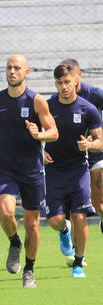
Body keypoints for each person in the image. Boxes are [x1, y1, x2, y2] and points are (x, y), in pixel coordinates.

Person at [0, 54, 58, 288]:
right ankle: (14, 242)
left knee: (32, 224)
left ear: (27, 72)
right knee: (6, 213)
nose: (12, 71)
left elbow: (54, 131)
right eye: (9, 68)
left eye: (17, 68)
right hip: (6, 167)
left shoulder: (36, 100)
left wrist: (39, 134)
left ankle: (29, 270)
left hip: (32, 170)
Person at [44, 64, 102, 278]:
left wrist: (89, 146)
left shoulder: (88, 108)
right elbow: (30, 134)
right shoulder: (47, 106)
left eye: (67, 82)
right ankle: (64, 231)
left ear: (75, 80)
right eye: (59, 83)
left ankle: (78, 262)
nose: (64, 87)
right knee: (56, 221)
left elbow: (100, 140)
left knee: (80, 217)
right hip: (53, 171)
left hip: (78, 170)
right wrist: (39, 154)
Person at [60, 59, 103, 246]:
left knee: (99, 203)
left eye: (73, 76)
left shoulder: (95, 94)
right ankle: (78, 254)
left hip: (96, 153)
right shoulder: (60, 98)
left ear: (79, 75)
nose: (69, 82)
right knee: (76, 209)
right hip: (71, 158)